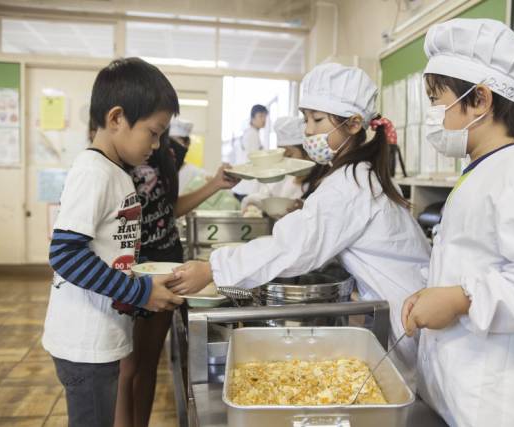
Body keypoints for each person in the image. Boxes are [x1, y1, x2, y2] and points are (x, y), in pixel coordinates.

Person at [169, 63, 431, 389]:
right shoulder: (356, 175)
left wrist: (211, 269)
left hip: (407, 318)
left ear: (353, 124)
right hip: (406, 310)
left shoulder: (350, 183)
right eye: (306, 118)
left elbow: (293, 247)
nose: (307, 131)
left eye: (317, 120)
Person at [400, 19, 514, 427]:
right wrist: (437, 292)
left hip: (502, 407)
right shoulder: (482, 172)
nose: (432, 114)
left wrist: (460, 298)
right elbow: (482, 266)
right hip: (462, 397)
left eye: (437, 99)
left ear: (480, 99)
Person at [42, 57, 184, 427]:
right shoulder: (94, 172)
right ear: (117, 118)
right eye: (153, 132)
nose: (156, 144)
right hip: (83, 341)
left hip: (101, 335)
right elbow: (65, 254)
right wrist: (139, 291)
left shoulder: (115, 171)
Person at [115, 130, 236, 427]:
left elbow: (169, 211)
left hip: (167, 264)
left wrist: (216, 184)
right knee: (125, 365)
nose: (157, 140)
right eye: (154, 128)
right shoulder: (118, 155)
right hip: (131, 266)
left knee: (148, 362)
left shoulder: (168, 155)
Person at [240, 116, 324, 213]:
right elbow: (265, 195)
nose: (285, 160)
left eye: (290, 154)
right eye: (282, 155)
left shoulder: (322, 182)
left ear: (308, 152)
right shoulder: (286, 177)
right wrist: (251, 203)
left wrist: (304, 209)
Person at [232, 104, 269, 198]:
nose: (263, 119)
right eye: (260, 116)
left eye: (265, 116)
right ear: (252, 117)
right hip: (247, 186)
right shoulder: (252, 134)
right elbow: (255, 159)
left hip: (243, 185)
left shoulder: (250, 132)